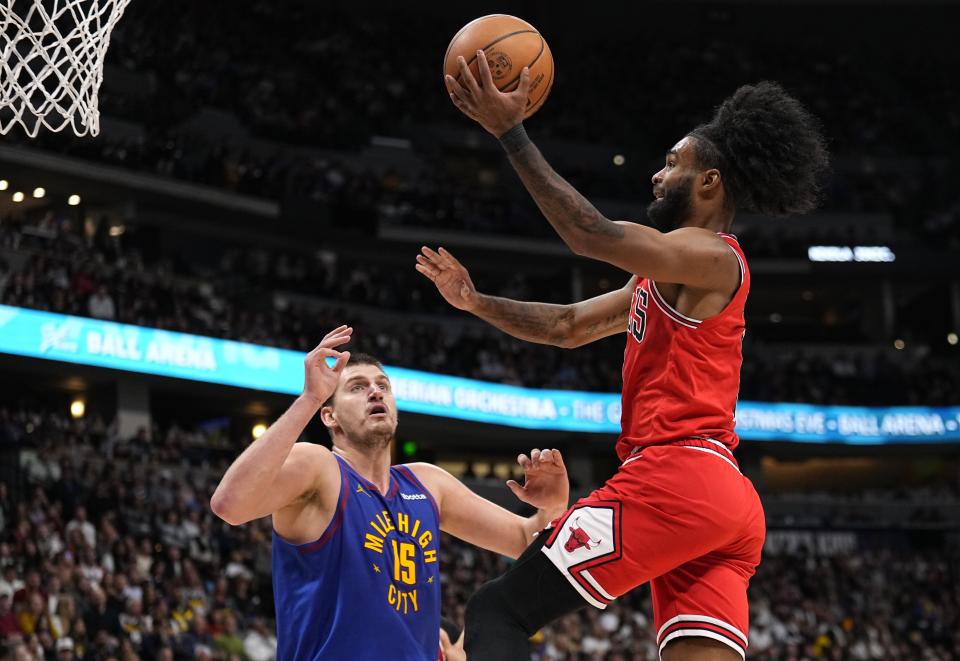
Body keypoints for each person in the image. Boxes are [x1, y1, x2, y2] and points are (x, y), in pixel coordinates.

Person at [420, 54, 829, 661]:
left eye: (671, 164)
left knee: (498, 609)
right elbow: (565, 325)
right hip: (724, 500)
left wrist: (512, 133)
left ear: (710, 181)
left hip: (676, 478)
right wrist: (476, 301)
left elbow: (590, 233)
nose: (656, 177)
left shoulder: (714, 257)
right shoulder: (659, 279)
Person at [210, 325, 569, 660]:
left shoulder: (427, 482)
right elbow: (230, 505)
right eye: (357, 387)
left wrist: (552, 506)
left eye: (383, 385)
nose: (376, 391)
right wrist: (309, 399)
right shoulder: (319, 467)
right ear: (330, 417)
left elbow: (525, 540)